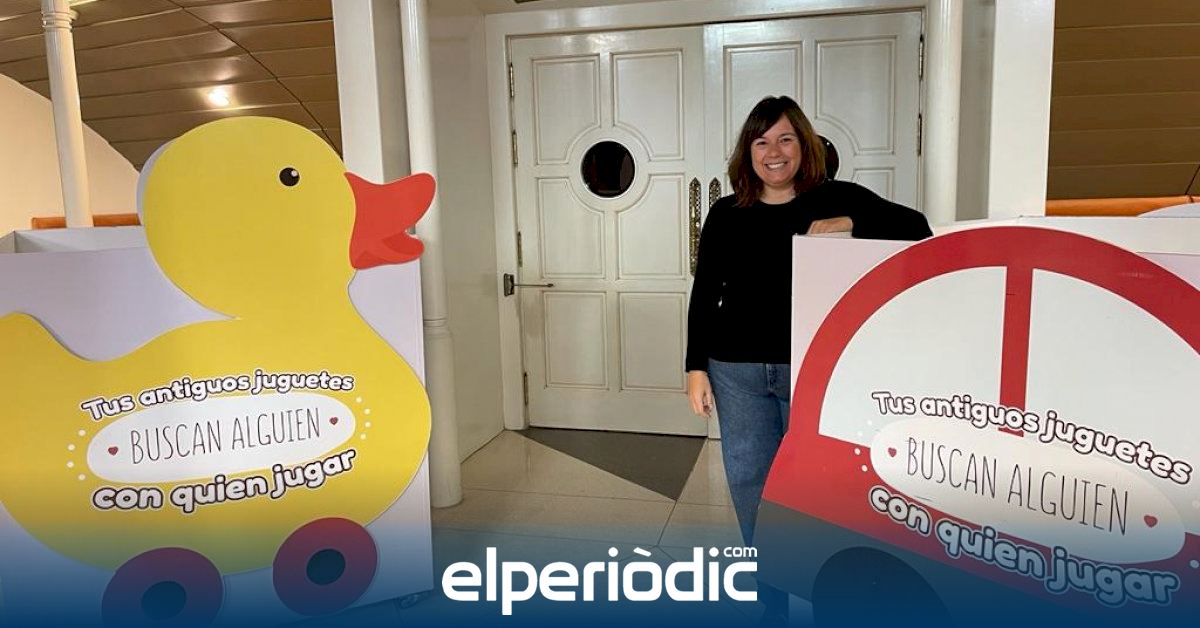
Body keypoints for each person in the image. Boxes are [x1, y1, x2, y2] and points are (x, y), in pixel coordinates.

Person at [684, 95, 931, 621]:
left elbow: (918, 229)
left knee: (816, 485)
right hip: (736, 371)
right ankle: (771, 595)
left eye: (785, 139)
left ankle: (819, 587)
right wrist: (695, 367)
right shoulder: (726, 213)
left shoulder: (835, 196)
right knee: (750, 482)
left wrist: (851, 223)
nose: (773, 152)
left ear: (804, 145)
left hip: (811, 369)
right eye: (761, 141)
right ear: (747, 152)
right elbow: (705, 293)